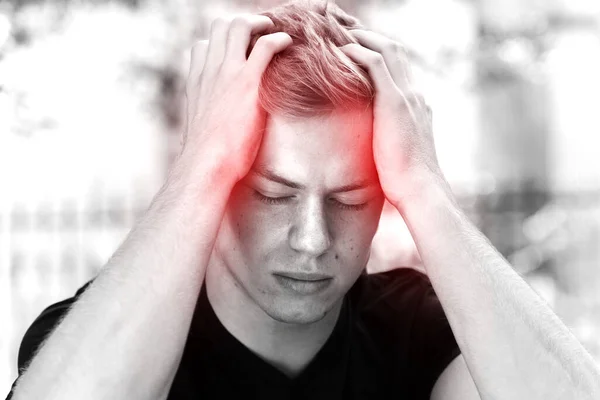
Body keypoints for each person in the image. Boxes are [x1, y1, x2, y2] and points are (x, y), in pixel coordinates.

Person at [7, 1, 600, 399]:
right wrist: (200, 164)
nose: (312, 238)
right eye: (273, 193)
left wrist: (424, 185)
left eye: (349, 199)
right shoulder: (109, 331)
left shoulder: (419, 332)